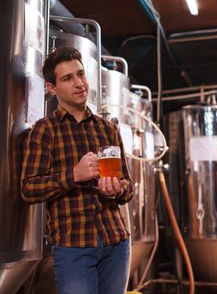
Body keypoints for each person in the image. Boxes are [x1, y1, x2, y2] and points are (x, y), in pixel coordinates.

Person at [21, 46, 134, 294]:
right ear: (52, 88)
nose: (79, 83)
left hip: (116, 241)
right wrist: (74, 175)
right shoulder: (45, 130)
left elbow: (128, 186)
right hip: (74, 246)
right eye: (68, 78)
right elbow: (29, 189)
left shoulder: (107, 128)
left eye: (81, 74)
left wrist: (116, 190)